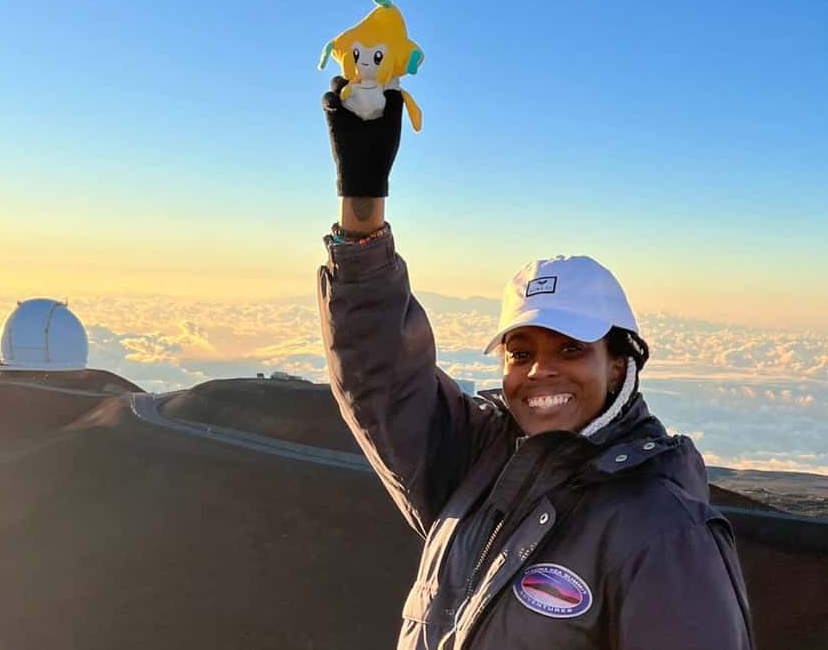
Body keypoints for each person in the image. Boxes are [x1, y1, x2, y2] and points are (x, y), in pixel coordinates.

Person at [317, 76, 753, 650]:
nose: (540, 371)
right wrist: (363, 203)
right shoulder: (476, 463)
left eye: (571, 348)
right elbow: (379, 375)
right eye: (521, 352)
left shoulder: (662, 530)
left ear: (619, 364)